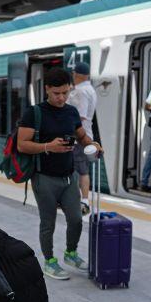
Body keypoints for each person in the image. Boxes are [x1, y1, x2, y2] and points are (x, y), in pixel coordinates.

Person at [16, 67, 103, 280]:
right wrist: (48, 147)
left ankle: (70, 253)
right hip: (44, 177)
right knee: (49, 222)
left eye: (65, 92)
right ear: (47, 89)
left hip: (68, 176)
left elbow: (81, 136)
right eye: (57, 93)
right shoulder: (34, 112)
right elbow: (22, 145)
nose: (61, 97)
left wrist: (93, 145)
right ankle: (49, 261)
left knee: (76, 219)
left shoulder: (71, 111)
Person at [67, 62, 98, 214]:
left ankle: (82, 202)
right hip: (85, 134)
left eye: (74, 73)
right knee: (82, 169)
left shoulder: (80, 91)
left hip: (79, 136)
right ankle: (82, 200)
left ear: (78, 74)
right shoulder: (90, 89)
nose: (72, 76)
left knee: (79, 169)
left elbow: (80, 116)